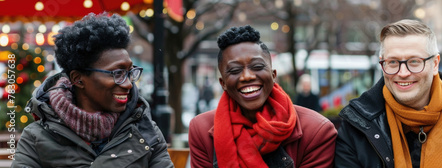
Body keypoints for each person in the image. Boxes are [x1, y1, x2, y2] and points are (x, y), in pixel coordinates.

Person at [12, 13, 174, 167]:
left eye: (129, 73)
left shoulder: (146, 132)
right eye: (117, 73)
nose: (128, 84)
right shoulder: (36, 138)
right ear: (78, 79)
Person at [334, 19, 442, 167]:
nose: (403, 72)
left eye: (414, 61)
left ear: (435, 64)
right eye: (393, 62)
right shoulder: (355, 125)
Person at [188, 25, 337, 167]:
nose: (247, 76)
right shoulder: (201, 130)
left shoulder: (317, 131)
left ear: (273, 75)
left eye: (257, 67)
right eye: (234, 70)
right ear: (223, 83)